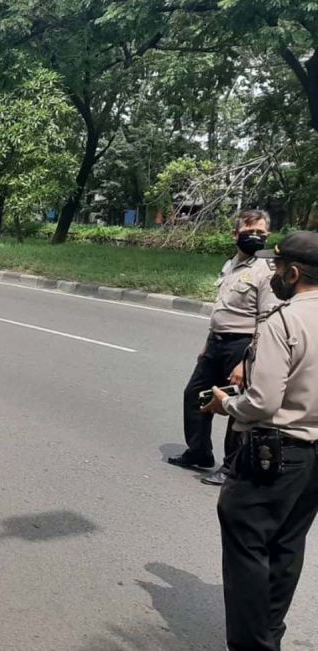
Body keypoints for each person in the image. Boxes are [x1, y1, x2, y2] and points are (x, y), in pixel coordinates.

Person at [201, 231, 318, 651]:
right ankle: (271, 634)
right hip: (312, 457)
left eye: (276, 267)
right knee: (288, 544)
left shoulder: (283, 321)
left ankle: (254, 645)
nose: (272, 274)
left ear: (293, 272)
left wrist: (225, 406)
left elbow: (263, 402)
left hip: (276, 449)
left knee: (248, 546)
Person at [169, 210, 280, 484]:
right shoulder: (231, 264)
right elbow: (222, 309)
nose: (255, 237)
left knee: (236, 407)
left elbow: (265, 319)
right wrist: (208, 344)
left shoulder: (265, 271)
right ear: (235, 234)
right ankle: (199, 452)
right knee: (196, 395)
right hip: (217, 344)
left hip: (242, 347)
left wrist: (247, 361)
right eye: (249, 231)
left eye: (261, 233)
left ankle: (231, 467)